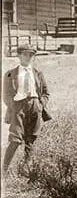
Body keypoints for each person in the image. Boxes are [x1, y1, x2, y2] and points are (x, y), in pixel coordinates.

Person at [2, 44, 50, 174]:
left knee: (31, 140)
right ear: (19, 55)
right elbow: (5, 95)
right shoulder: (10, 74)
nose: (28, 57)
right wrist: (13, 106)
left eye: (31, 55)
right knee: (15, 139)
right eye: (25, 54)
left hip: (35, 106)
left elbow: (46, 93)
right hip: (18, 107)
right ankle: (3, 171)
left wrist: (40, 105)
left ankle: (26, 171)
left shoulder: (38, 73)